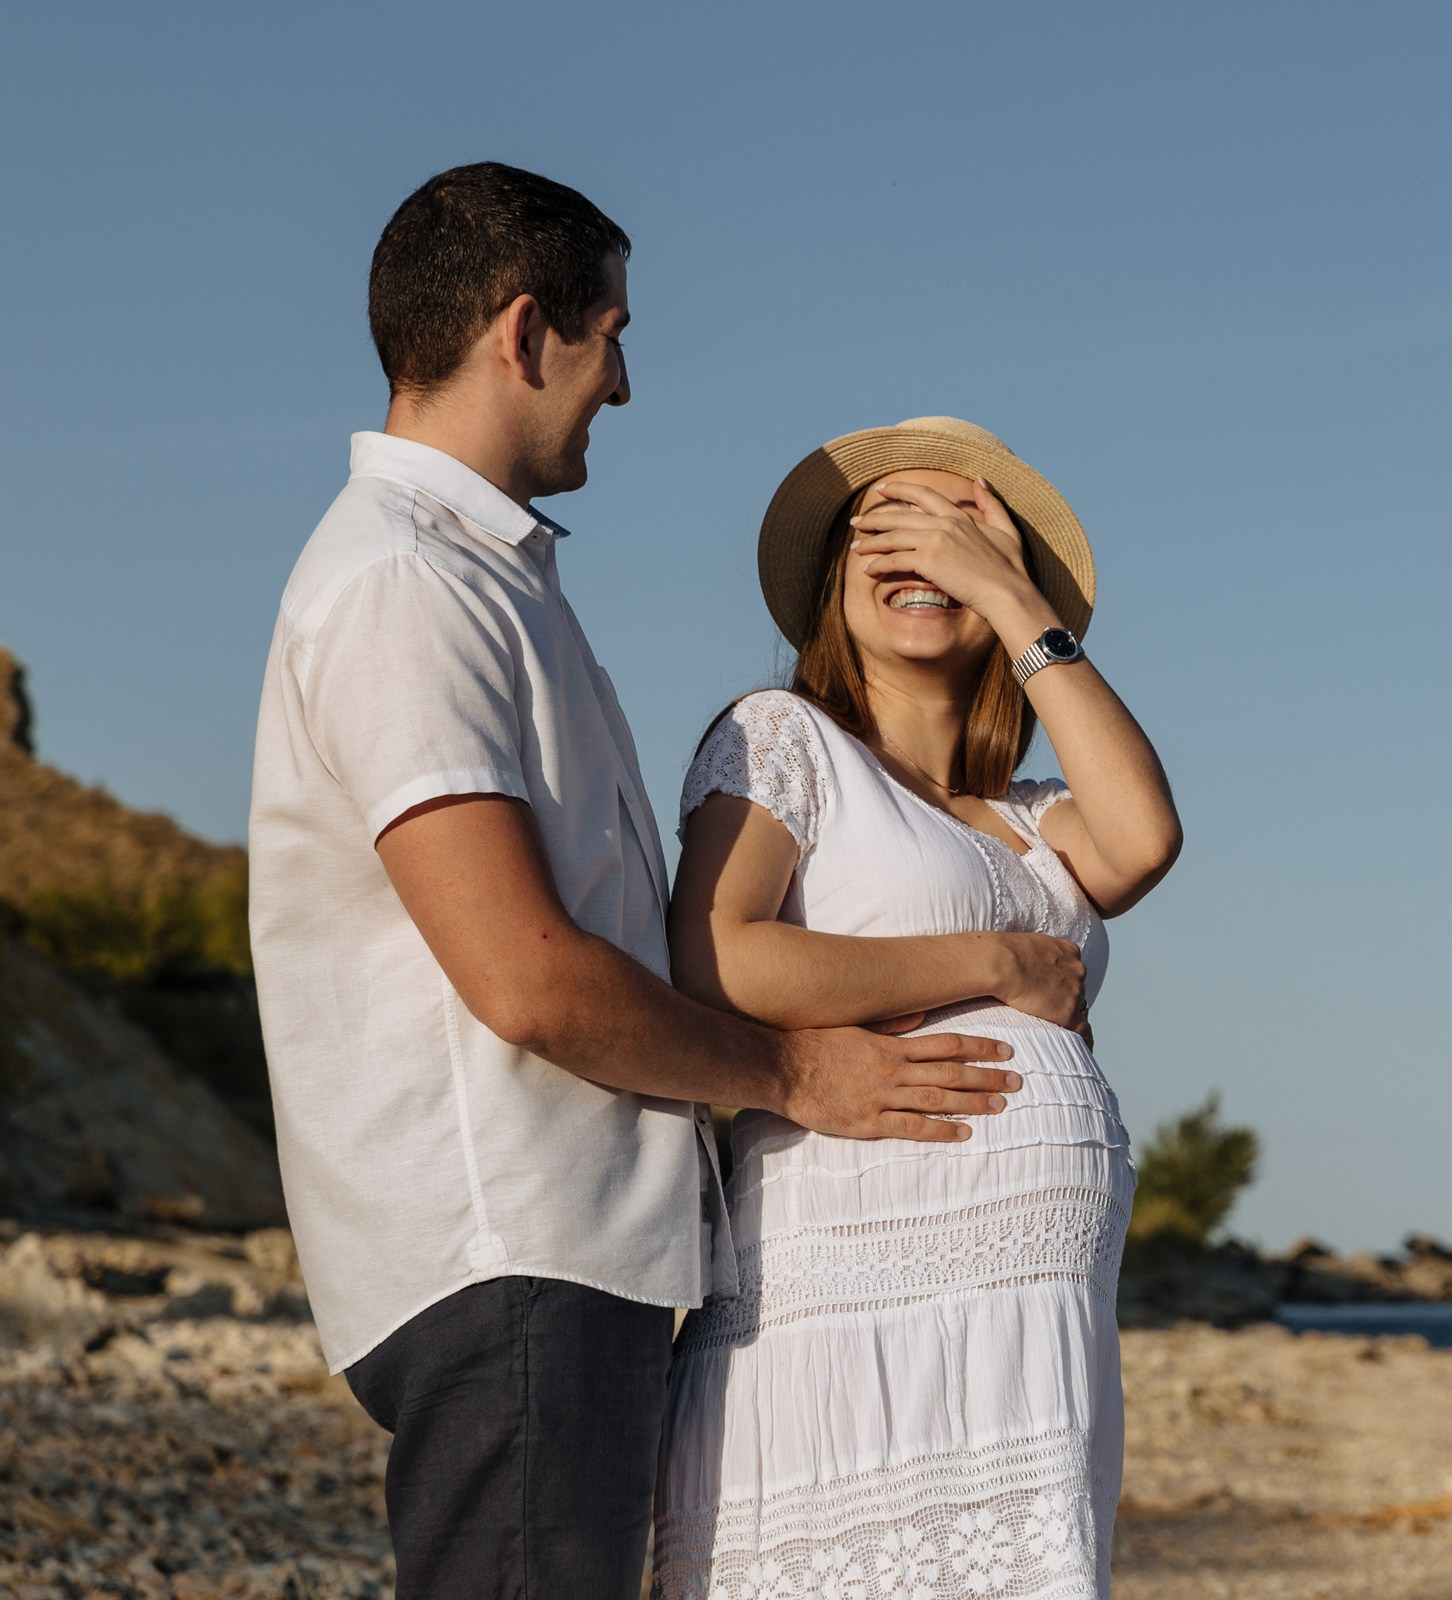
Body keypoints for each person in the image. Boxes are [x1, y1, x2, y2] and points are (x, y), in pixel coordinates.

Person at [247, 166, 1024, 1600]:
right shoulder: (404, 584)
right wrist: (796, 1076)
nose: (627, 381)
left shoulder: (490, 580)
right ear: (526, 332)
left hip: (562, 1252)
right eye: (612, 334)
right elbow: (526, 976)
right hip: (514, 1249)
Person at [651, 418, 1181, 1599]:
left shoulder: (1039, 817)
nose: (919, 552)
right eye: (881, 530)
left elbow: (1147, 838)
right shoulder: (786, 741)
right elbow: (721, 959)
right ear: (832, 580)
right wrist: (992, 963)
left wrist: (1004, 584)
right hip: (843, 1309)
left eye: (956, 526)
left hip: (1027, 1336)